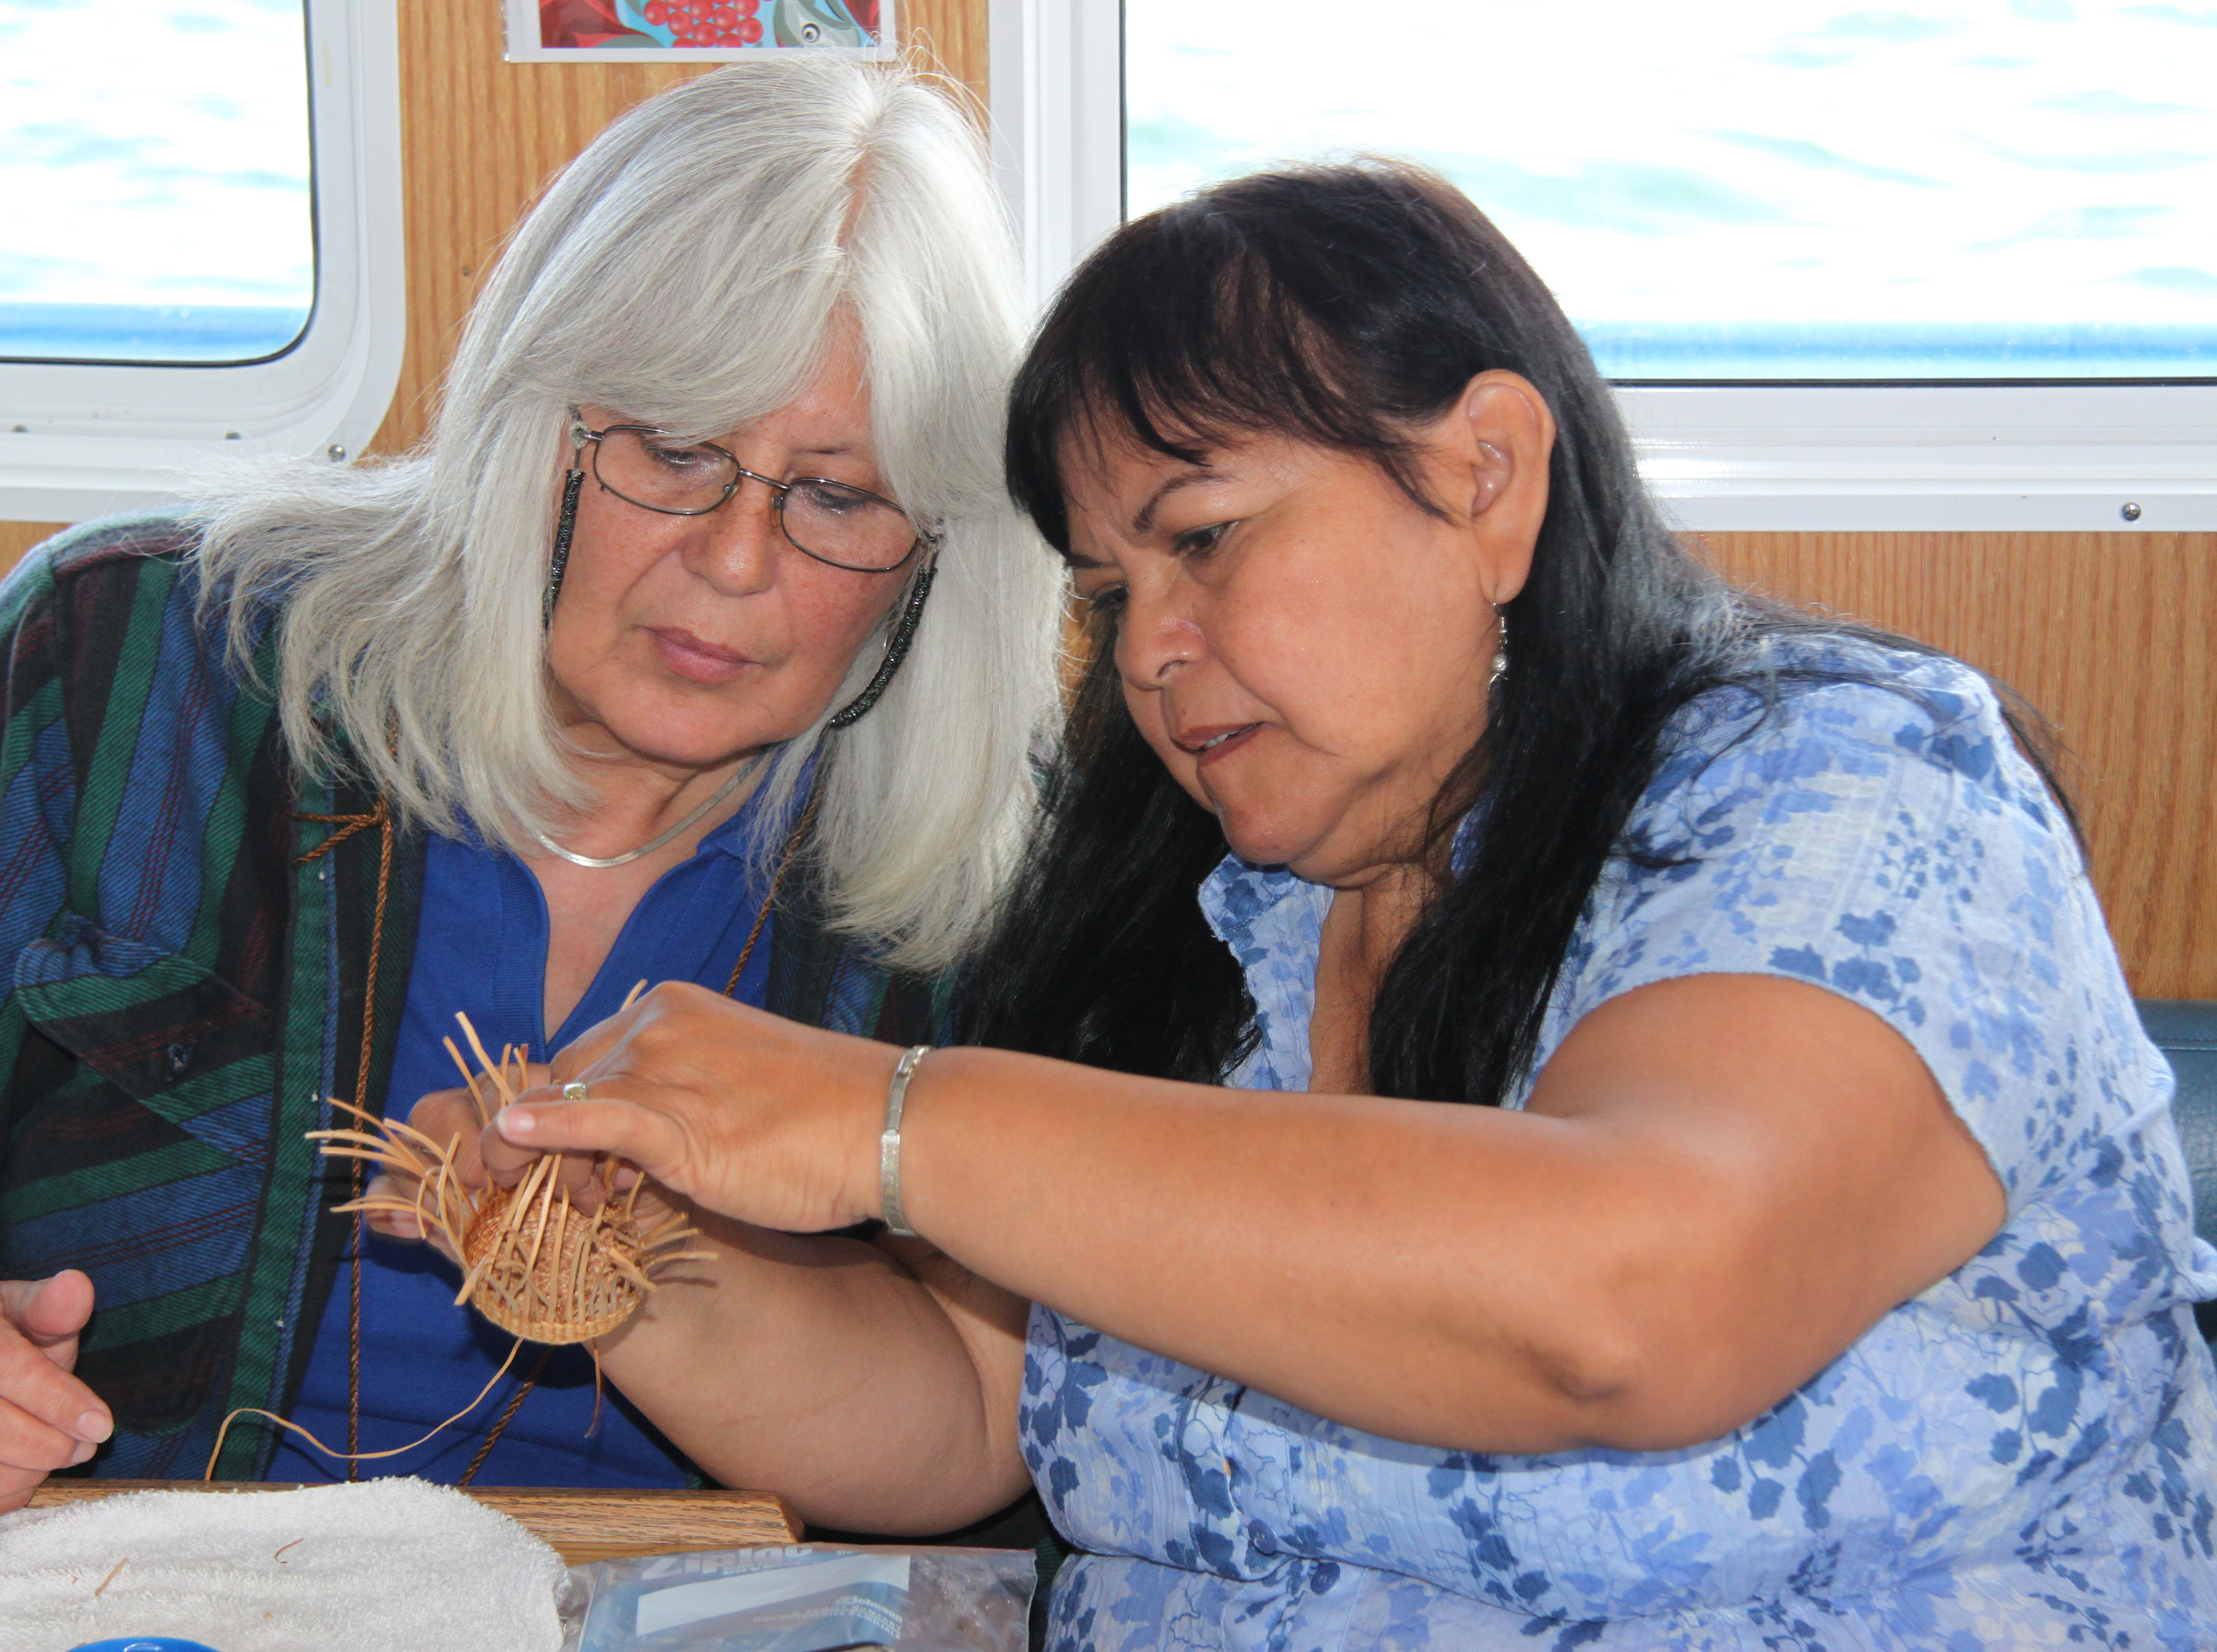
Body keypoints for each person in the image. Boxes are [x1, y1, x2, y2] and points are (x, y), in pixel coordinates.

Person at [461, 162, 2217, 1647]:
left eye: (1206, 536)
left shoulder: (1850, 788)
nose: (1147, 646)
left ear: (1485, 478)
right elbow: (962, 1403)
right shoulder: (1221, 912)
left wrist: (896, 1119)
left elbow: (1635, 1294)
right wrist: (630, 1261)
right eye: (1106, 585)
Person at [0, 58, 1064, 1522]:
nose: (738, 559)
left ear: (938, 553)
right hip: (144, 1584)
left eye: (835, 498)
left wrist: (613, 1258)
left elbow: (994, 1423)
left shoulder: (1015, 863)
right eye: (676, 451)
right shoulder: (135, 658)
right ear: (530, 423)